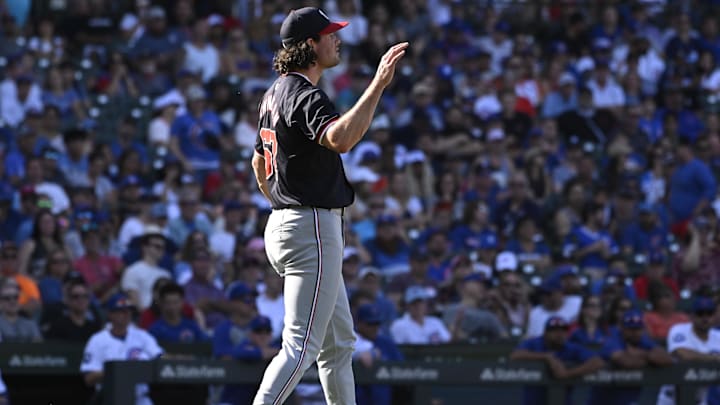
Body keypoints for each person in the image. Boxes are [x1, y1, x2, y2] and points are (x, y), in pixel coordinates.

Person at [250, 7, 408, 405]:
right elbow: (340, 139)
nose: (337, 39)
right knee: (301, 348)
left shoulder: (274, 93)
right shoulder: (302, 92)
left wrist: (281, 207)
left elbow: (257, 162)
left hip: (291, 222)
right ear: (309, 44)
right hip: (311, 226)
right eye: (329, 34)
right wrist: (378, 86)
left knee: (338, 345)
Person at [81, 293, 164, 405]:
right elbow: (89, 379)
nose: (126, 314)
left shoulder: (142, 336)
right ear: (110, 314)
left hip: (141, 399)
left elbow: (161, 358)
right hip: (110, 399)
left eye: (128, 310)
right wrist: (118, 370)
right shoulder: (97, 340)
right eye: (121, 311)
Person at [510, 316, 604, 405]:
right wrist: (546, 357)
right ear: (545, 333)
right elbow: (515, 355)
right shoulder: (535, 343)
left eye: (563, 330)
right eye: (554, 330)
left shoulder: (571, 347)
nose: (560, 334)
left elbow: (597, 362)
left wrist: (567, 374)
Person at [587, 309, 674, 405]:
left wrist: (641, 354)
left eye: (638, 329)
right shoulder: (612, 340)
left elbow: (668, 359)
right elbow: (626, 362)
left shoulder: (643, 341)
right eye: (631, 329)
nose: (634, 332)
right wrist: (650, 359)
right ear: (622, 328)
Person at [657, 297, 720, 405]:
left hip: (700, 399)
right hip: (671, 399)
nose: (705, 318)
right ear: (692, 316)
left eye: (709, 313)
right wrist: (713, 358)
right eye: (700, 313)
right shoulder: (679, 329)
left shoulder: (717, 336)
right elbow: (682, 353)